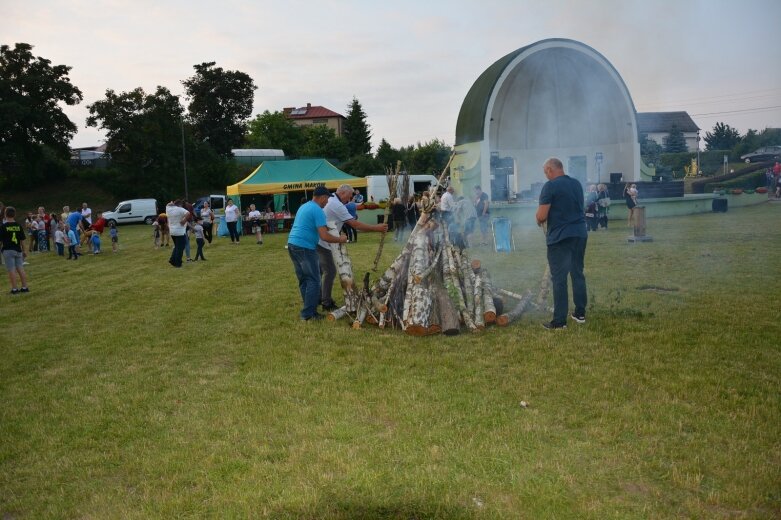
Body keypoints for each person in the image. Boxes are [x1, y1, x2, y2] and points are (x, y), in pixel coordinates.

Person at [535, 157, 588, 330]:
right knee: (577, 272)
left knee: (559, 278)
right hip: (580, 234)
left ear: (550, 169)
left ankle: (559, 321)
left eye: (545, 172)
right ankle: (580, 313)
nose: (546, 176)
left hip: (560, 237)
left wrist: (538, 219)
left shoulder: (550, 187)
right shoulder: (577, 184)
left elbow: (542, 216)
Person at [317, 184, 388, 311]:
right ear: (343, 193)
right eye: (349, 197)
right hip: (323, 242)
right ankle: (326, 302)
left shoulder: (333, 199)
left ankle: (319, 297)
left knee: (320, 271)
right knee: (330, 271)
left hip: (320, 240)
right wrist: (376, 228)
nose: (349, 200)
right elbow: (354, 224)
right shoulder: (336, 204)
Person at [287, 186, 348, 321]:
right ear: (323, 197)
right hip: (305, 248)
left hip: (292, 244)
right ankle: (309, 314)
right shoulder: (318, 211)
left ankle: (309, 308)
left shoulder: (304, 206)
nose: (327, 203)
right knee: (314, 280)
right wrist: (340, 239)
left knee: (304, 280)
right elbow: (324, 236)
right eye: (327, 199)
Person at [1, 206, 30, 294]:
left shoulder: (3, 226)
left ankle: (14, 289)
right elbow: (22, 240)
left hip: (8, 250)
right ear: (14, 214)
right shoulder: (18, 225)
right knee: (20, 269)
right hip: (18, 250)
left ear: (5, 214)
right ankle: (25, 287)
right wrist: (24, 250)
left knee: (11, 270)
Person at [166, 200, 191, 268]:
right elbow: (188, 213)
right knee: (180, 248)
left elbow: (168, 204)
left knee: (176, 246)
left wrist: (171, 203)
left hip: (172, 231)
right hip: (179, 231)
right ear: (180, 205)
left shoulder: (168, 209)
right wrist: (184, 220)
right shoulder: (180, 209)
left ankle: (172, 260)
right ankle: (178, 263)